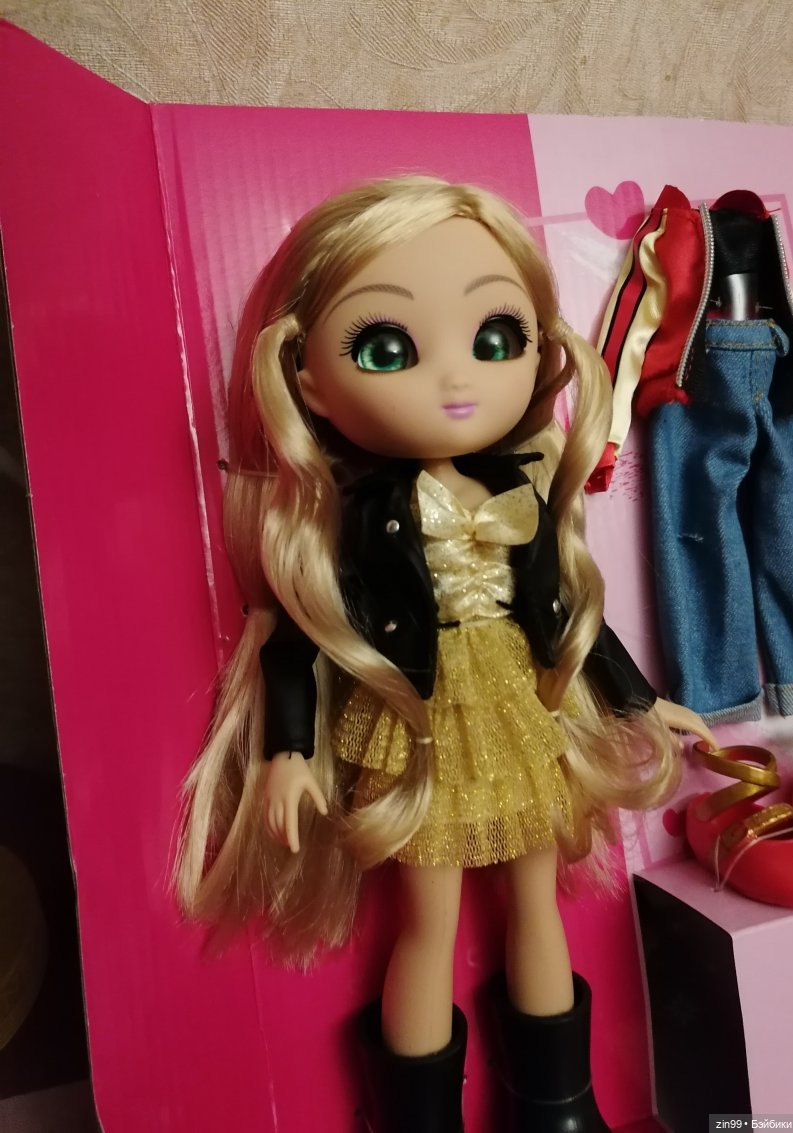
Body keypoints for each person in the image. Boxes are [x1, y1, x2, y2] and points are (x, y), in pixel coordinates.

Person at [175, 176, 712, 1132]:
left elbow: (565, 612)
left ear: (541, 350)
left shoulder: (523, 490)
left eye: (496, 338)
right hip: (418, 724)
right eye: (386, 349)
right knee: (429, 921)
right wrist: (287, 750)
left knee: (536, 902)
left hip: (520, 711)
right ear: (308, 381)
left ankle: (559, 1107)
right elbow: (299, 637)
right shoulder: (359, 517)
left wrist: (635, 698)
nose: (456, 380)